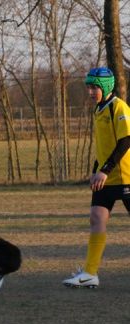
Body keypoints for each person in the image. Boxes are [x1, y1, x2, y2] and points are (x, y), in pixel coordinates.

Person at [63, 67, 130, 288]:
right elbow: (103, 146)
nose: (91, 92)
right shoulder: (99, 109)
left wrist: (105, 169)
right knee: (96, 218)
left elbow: (125, 141)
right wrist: (96, 170)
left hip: (125, 177)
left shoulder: (119, 107)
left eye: (95, 88)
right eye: (89, 88)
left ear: (107, 87)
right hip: (106, 178)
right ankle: (90, 273)